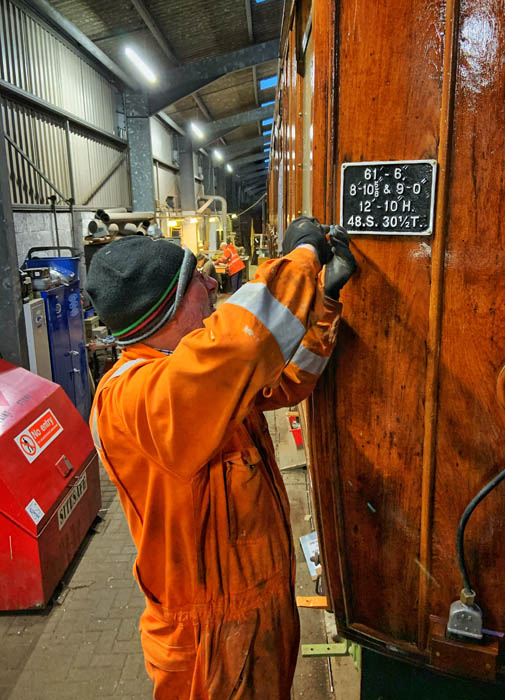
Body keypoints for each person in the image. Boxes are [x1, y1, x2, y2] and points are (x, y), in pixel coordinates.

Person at [86, 217, 357, 700]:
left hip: (255, 619)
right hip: (208, 645)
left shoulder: (195, 372)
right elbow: (245, 340)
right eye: (198, 280)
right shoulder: (135, 396)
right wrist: (301, 260)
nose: (214, 283)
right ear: (163, 309)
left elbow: (287, 379)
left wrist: (325, 302)